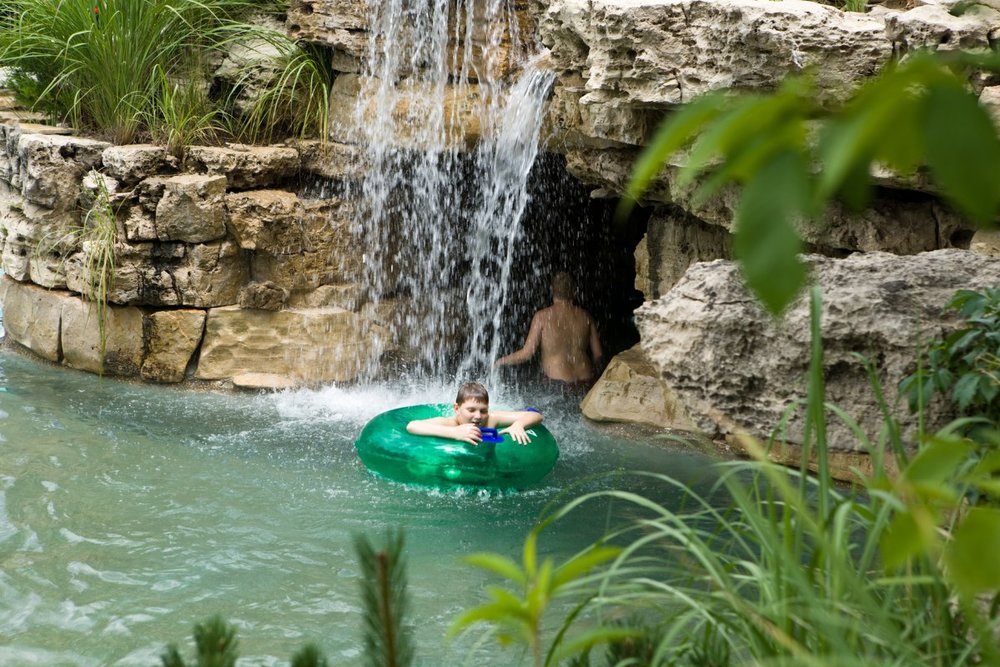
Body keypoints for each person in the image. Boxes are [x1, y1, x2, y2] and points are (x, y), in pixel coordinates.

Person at [494, 271, 603, 389]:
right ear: (574, 291)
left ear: (551, 289)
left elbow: (526, 354)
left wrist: (500, 361)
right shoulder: (586, 316)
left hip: (559, 384)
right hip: (586, 380)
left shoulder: (542, 317)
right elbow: (598, 354)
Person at [406, 381, 543, 445]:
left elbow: (535, 415)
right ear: (457, 409)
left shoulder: (491, 419)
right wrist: (454, 433)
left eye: (483, 411)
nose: (478, 416)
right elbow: (412, 426)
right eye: (471, 410)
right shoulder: (451, 423)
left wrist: (518, 425)